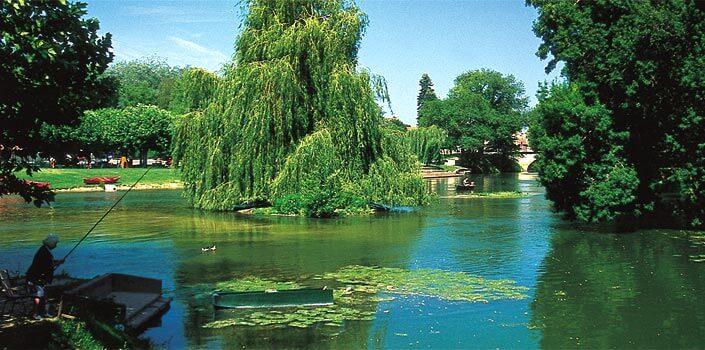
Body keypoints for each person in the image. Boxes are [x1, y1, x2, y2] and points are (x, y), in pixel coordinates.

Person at [26, 233, 64, 319]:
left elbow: (48, 263)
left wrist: (58, 262)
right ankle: (35, 314)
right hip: (35, 278)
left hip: (38, 277)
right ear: (51, 243)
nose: (56, 245)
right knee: (38, 295)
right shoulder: (44, 252)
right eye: (55, 243)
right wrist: (58, 263)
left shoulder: (44, 250)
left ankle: (43, 312)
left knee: (43, 295)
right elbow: (47, 266)